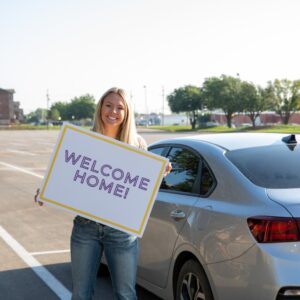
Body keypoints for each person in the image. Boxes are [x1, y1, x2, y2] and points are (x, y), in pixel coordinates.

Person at [35, 87, 172, 300]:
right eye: (108, 105)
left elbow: (141, 188)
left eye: (120, 107)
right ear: (100, 108)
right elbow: (69, 175)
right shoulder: (83, 139)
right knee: (81, 294)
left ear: (127, 113)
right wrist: (46, 190)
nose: (113, 111)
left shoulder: (137, 145)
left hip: (121, 232)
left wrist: (159, 174)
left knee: (125, 294)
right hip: (85, 228)